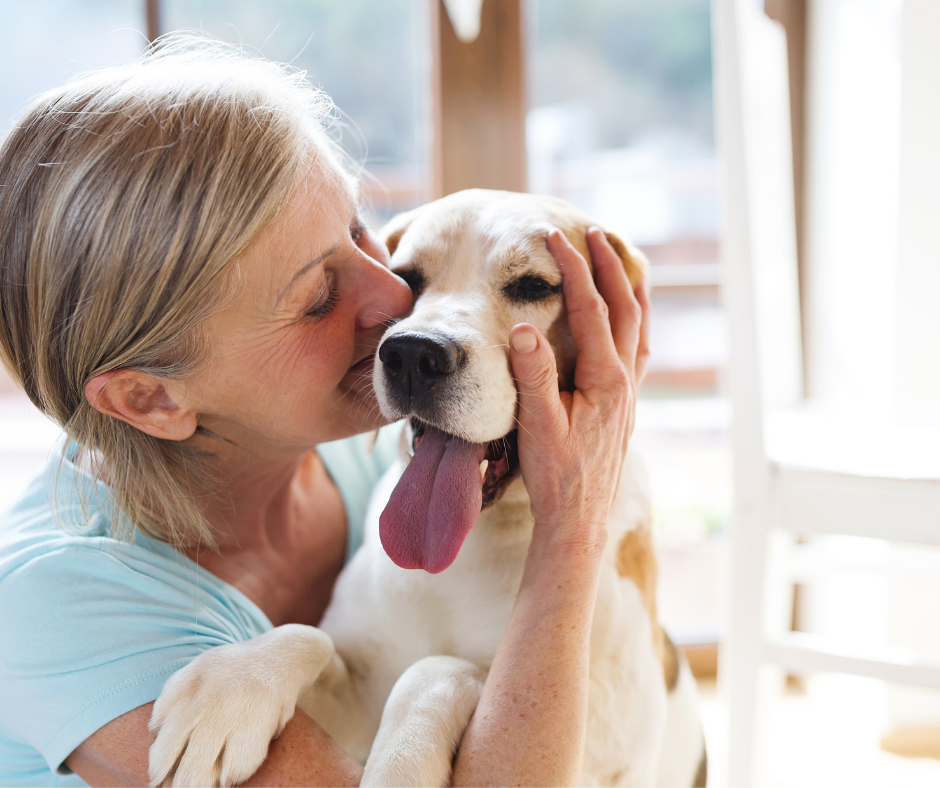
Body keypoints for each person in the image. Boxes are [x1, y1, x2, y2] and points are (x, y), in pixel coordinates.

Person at [0, 37, 649, 788]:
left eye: (359, 233)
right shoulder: (55, 613)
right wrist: (573, 525)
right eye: (315, 298)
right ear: (153, 397)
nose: (395, 303)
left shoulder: (361, 450)